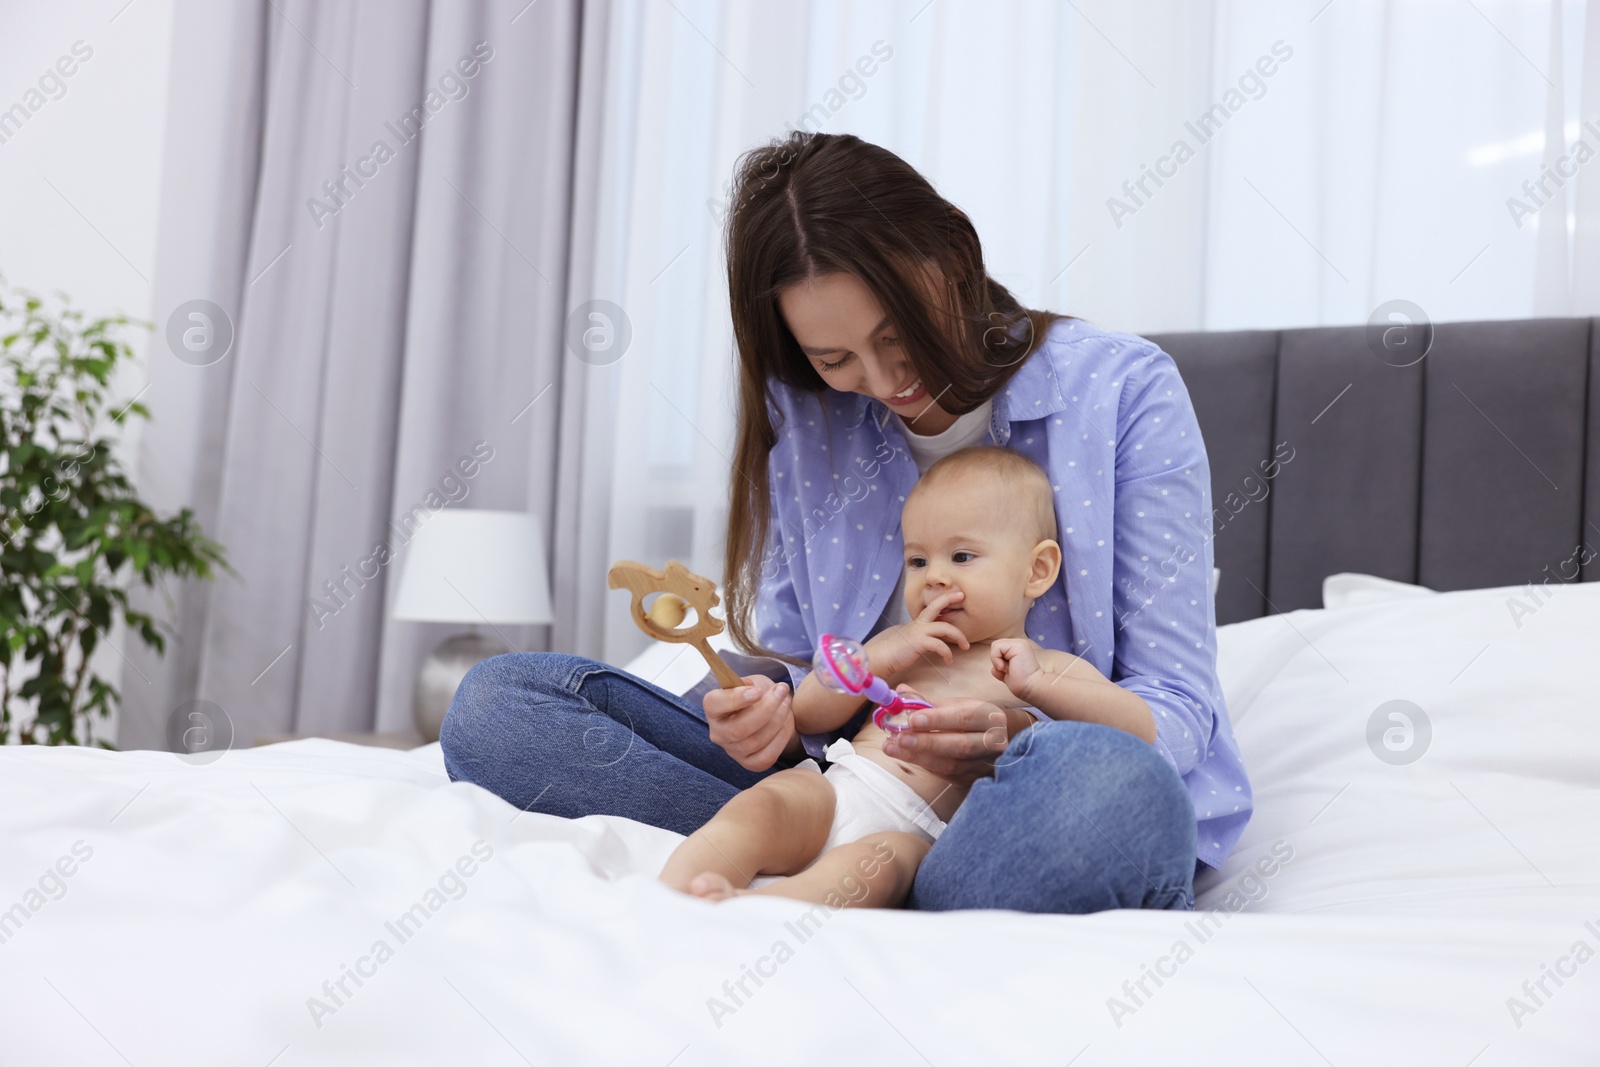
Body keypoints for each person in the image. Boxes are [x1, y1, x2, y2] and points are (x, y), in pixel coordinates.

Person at [440, 130, 1251, 914]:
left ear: (952, 256)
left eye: (897, 334)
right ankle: (836, 873)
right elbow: (799, 671)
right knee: (498, 707)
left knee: (1114, 788)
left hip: (1027, 786)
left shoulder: (1120, 392)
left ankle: (898, 875)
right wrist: (766, 713)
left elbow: (1175, 709)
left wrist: (1008, 729)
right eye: (836, 361)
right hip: (848, 775)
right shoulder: (808, 414)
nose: (885, 380)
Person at [658, 446, 1154, 907]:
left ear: (1037, 570)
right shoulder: (908, 652)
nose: (933, 576)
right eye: (918, 560)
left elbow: (1139, 731)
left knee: (875, 868)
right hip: (840, 787)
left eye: (962, 556)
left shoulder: (1047, 666)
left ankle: (763, 909)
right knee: (764, 805)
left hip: (920, 831)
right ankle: (674, 892)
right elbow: (807, 717)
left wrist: (1038, 689)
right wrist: (876, 657)